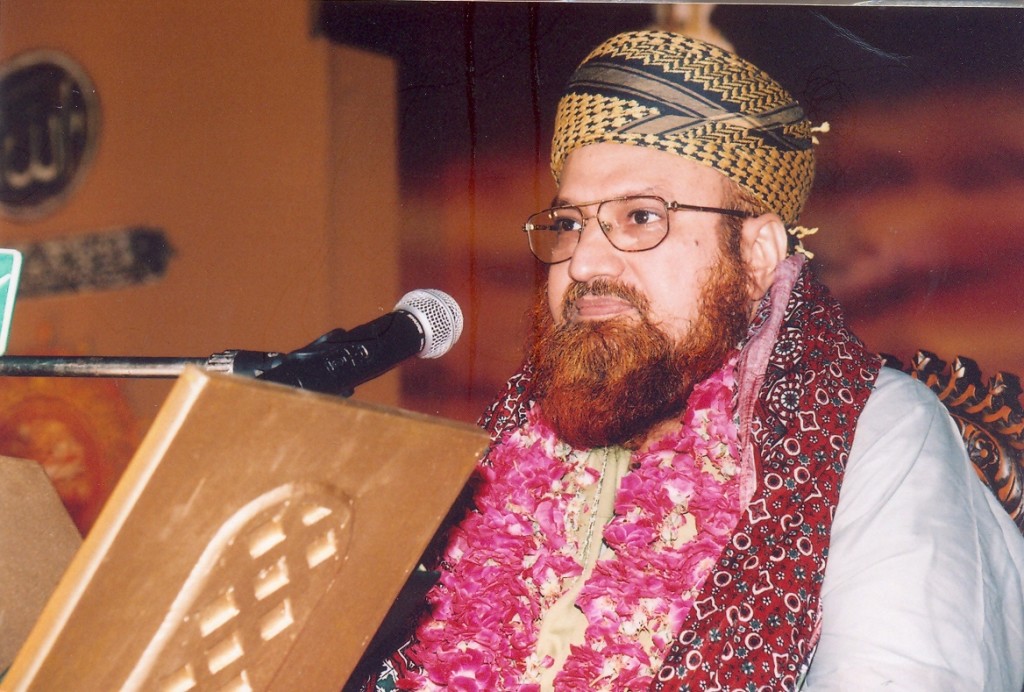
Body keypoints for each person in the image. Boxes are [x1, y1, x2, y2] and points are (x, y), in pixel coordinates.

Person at [356, 30, 1024, 690]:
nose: (584, 262)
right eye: (570, 224)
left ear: (756, 253)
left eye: (641, 217)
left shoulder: (878, 436)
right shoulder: (515, 452)